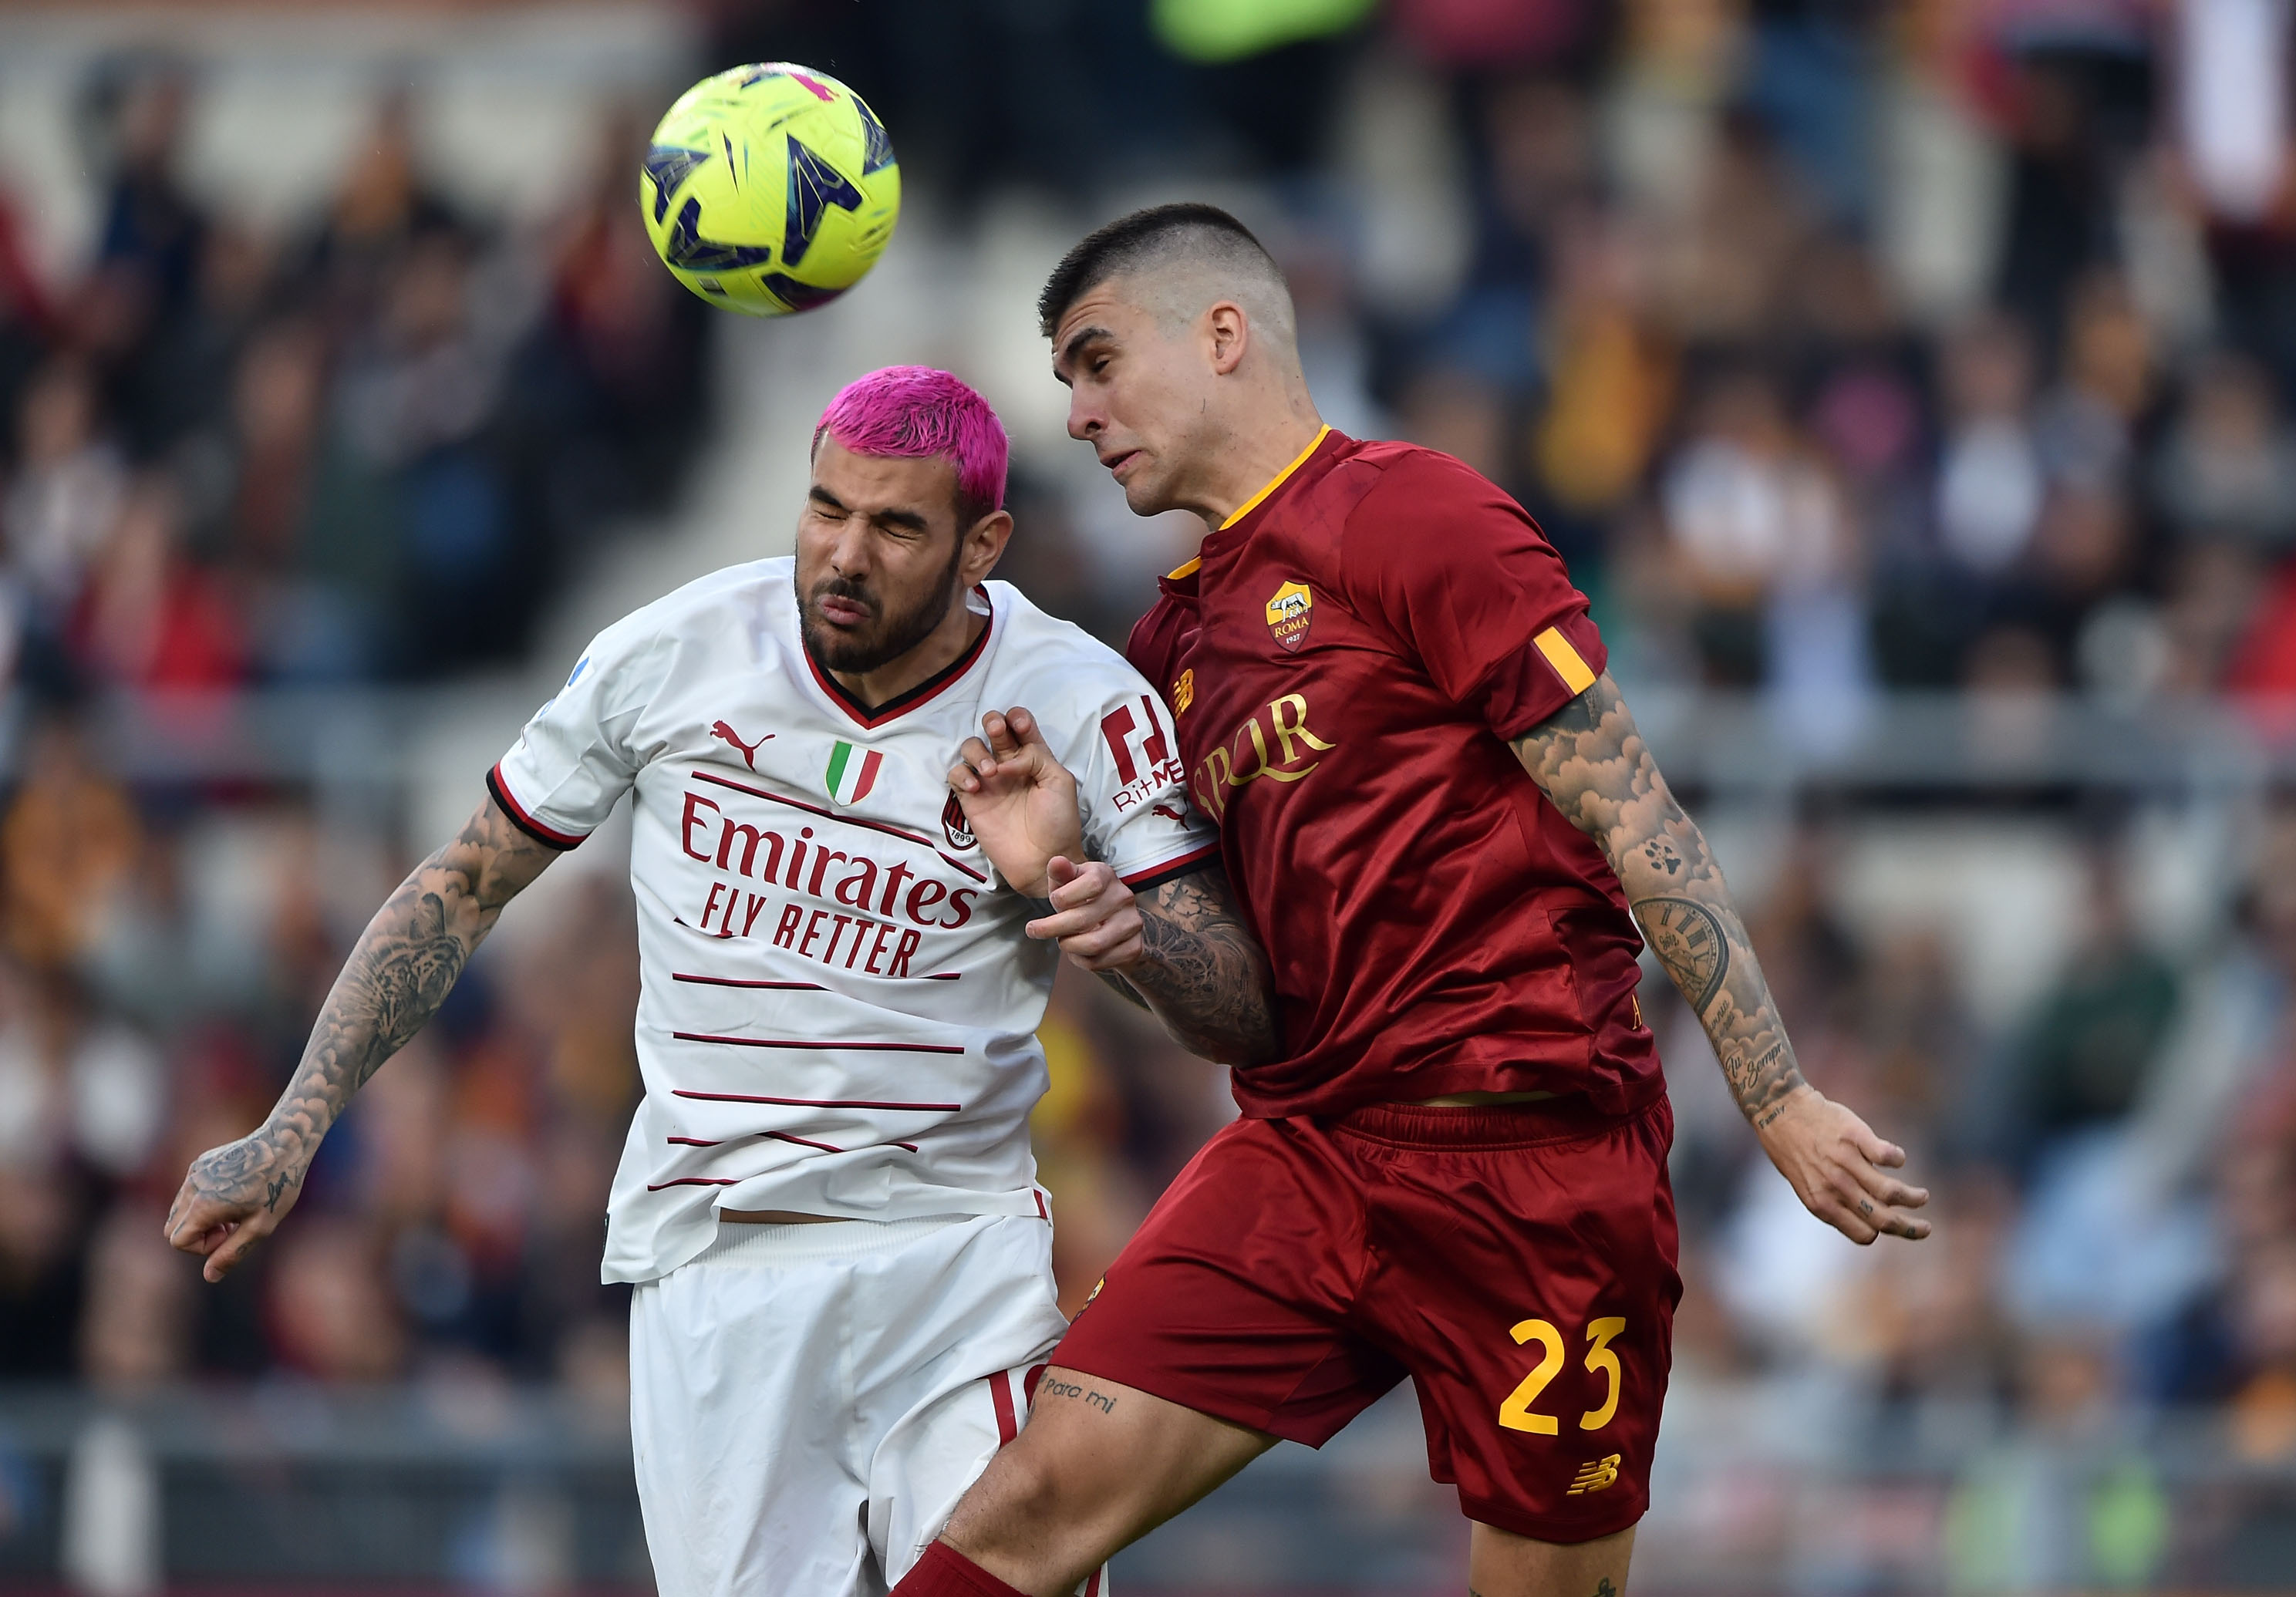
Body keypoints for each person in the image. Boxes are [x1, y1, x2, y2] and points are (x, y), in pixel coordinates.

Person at [896, 207, 1934, 1597]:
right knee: (1023, 1514)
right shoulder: (1171, 646)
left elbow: (1635, 810)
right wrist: (1098, 905)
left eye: (1096, 362)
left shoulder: (1414, 513)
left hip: (1543, 1172)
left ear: (1222, 336)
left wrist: (1780, 1097)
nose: (1076, 415)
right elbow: (1240, 1009)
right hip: (1313, 1155)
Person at [164, 366, 1272, 1597]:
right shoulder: (673, 653)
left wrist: (1071, 896)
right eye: (825, 509)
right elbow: (462, 887)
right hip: (718, 1272)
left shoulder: (1079, 704)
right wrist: (290, 1125)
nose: (844, 555)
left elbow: (1237, 1005)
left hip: (956, 1268)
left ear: (983, 546)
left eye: (896, 525)